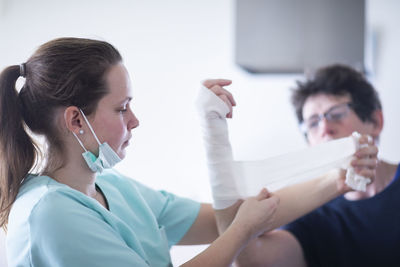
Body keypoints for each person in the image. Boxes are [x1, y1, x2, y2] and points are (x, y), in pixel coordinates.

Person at [0, 37, 281, 267]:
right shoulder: (48, 213)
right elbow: (237, 224)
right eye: (122, 109)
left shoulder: (112, 187)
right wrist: (242, 230)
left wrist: (326, 179)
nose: (135, 121)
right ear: (76, 121)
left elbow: (221, 220)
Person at [207, 64, 399, 267]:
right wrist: (215, 139)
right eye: (313, 122)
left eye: (337, 114)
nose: (325, 128)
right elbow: (254, 259)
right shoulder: (311, 214)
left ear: (376, 122)